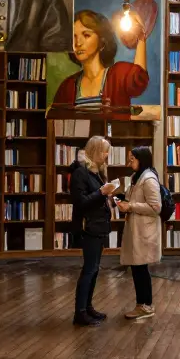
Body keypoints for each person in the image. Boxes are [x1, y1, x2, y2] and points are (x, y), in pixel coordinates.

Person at [51, 9, 150, 110]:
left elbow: (140, 79)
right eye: (74, 37)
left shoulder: (119, 75)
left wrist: (141, 38)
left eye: (86, 35)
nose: (78, 43)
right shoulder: (67, 86)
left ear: (102, 42)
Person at [69, 136, 117, 326]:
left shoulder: (96, 172)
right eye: (104, 151)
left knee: (94, 269)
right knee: (89, 269)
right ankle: (79, 312)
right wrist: (101, 193)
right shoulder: (80, 173)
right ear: (96, 151)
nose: (106, 155)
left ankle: (88, 307)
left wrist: (107, 195)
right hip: (88, 226)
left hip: (98, 225)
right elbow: (80, 203)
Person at [115, 146, 162, 320]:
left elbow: (156, 207)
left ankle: (146, 306)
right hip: (137, 228)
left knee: (140, 269)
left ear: (141, 159)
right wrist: (122, 201)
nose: (129, 162)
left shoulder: (149, 179)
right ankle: (142, 304)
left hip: (143, 230)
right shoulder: (136, 177)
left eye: (132, 158)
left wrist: (131, 206)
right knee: (137, 268)